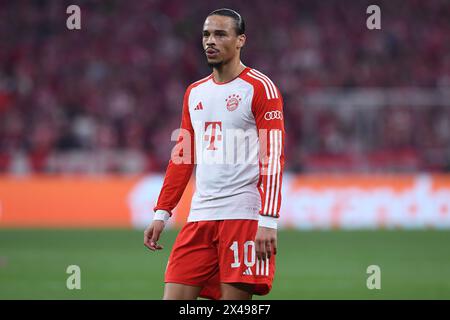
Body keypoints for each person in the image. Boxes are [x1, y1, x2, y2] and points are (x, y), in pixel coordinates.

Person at [144, 8, 285, 300]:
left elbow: (272, 158)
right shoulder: (194, 92)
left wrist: (268, 220)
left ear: (240, 40)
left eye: (220, 34)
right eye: (206, 34)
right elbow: (182, 157)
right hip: (200, 216)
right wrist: (162, 211)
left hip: (241, 216)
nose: (210, 41)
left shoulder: (260, 89)